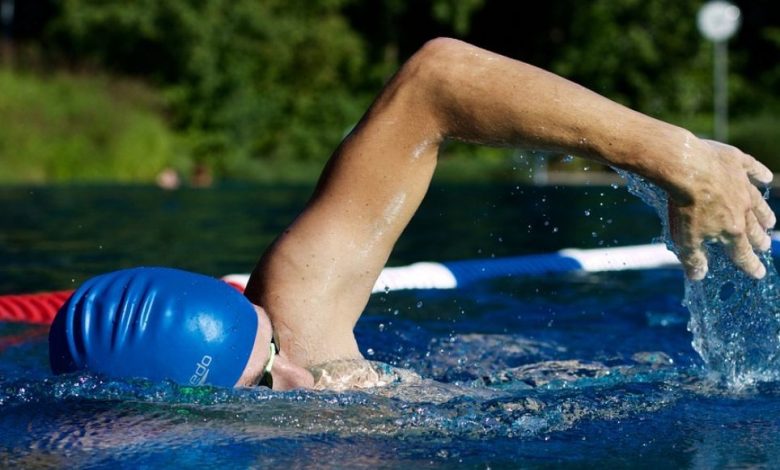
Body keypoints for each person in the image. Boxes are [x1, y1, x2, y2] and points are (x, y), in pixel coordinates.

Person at [49, 38, 776, 391]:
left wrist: (674, 155)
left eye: (271, 347)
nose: (300, 373)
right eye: (262, 388)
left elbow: (437, 81)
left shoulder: (300, 325)